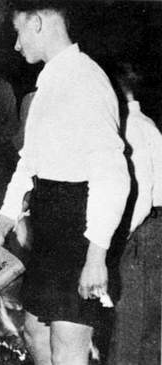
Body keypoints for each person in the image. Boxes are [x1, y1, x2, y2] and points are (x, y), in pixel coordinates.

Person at [0, 2, 129, 365]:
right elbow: (29, 161)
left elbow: (113, 175)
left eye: (18, 32)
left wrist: (96, 256)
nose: (16, 45)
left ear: (36, 22)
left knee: (68, 345)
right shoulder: (51, 80)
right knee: (34, 330)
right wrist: (4, 219)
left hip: (78, 223)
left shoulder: (85, 79)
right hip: (49, 220)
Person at [108, 62, 162, 365]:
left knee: (132, 327)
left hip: (143, 236)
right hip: (152, 232)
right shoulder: (146, 123)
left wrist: (116, 240)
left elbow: (139, 195)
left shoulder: (131, 127)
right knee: (147, 331)